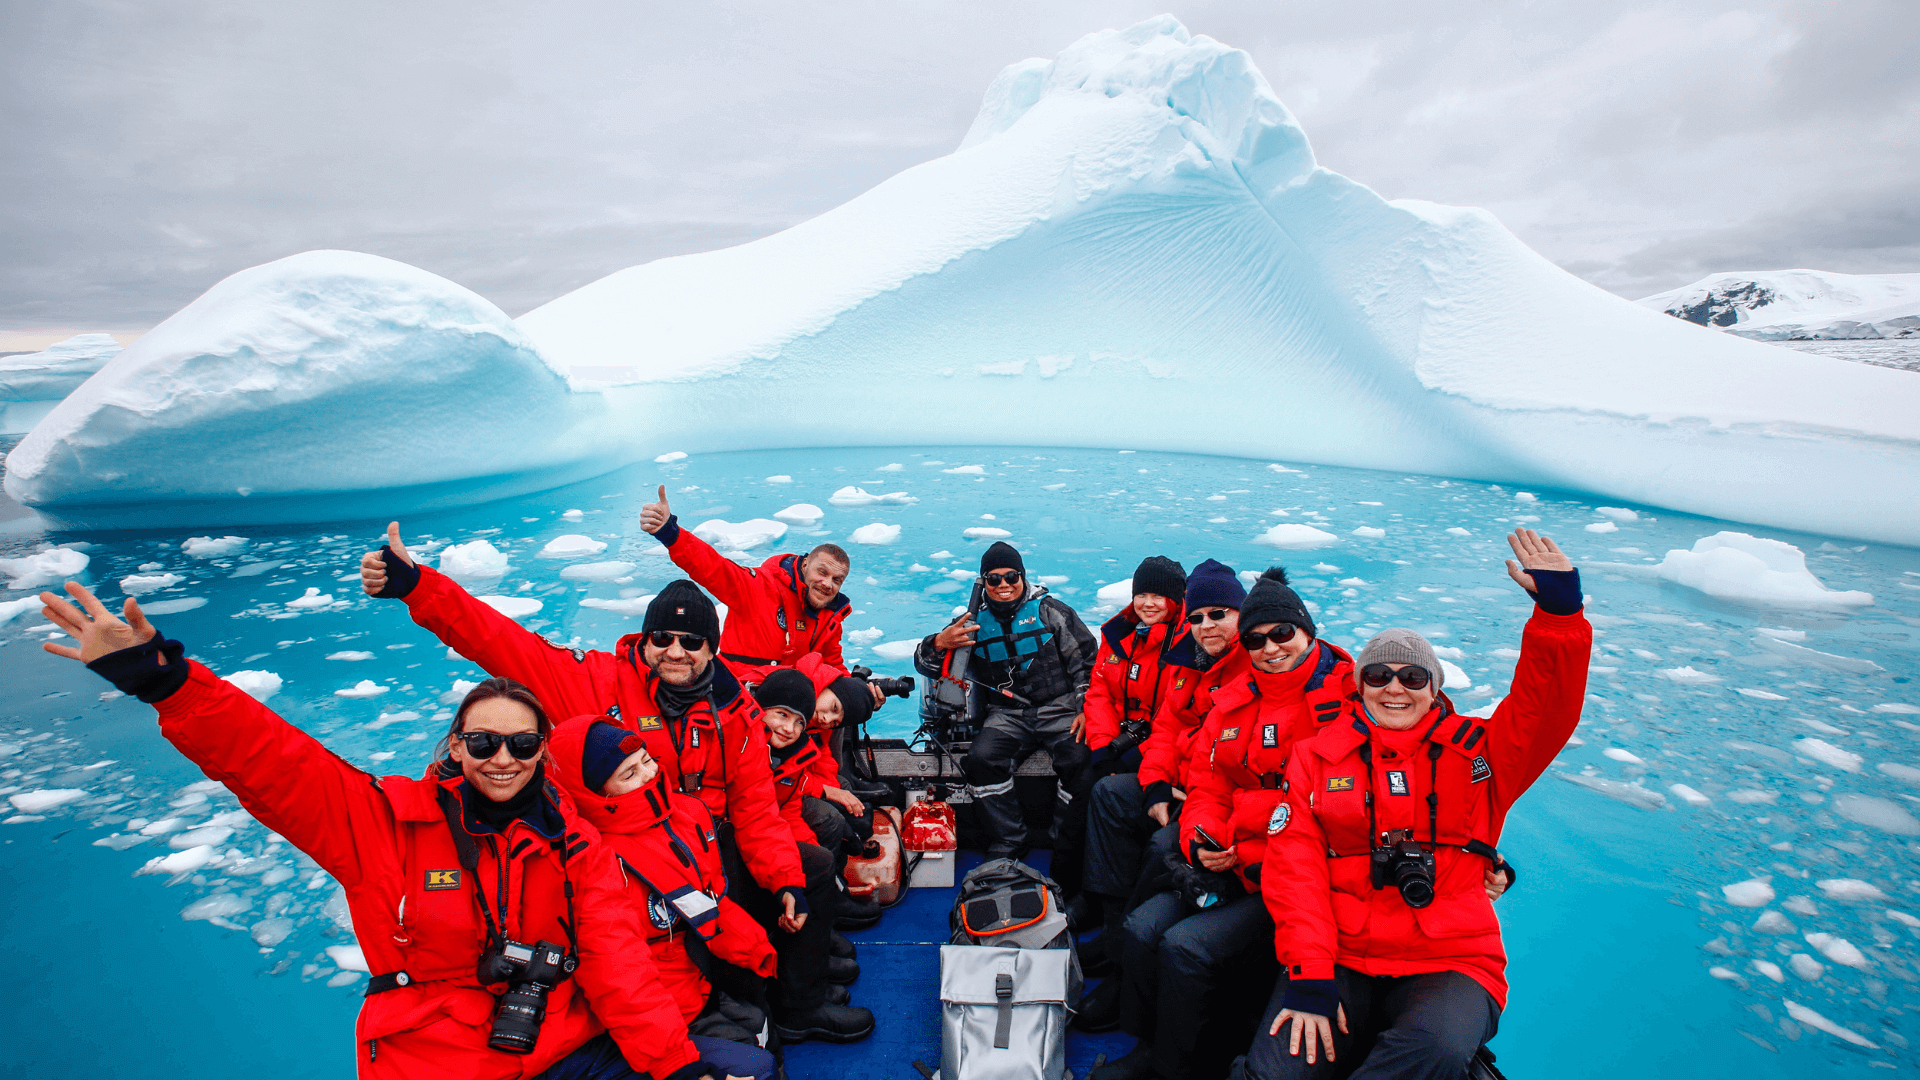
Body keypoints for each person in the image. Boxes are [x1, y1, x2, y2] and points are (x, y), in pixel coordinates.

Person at [34, 581, 737, 1080]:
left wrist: (676, 1069)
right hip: (439, 1063)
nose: (503, 759)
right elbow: (275, 762)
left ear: (543, 754)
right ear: (456, 746)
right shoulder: (383, 823)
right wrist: (170, 685)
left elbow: (618, 962)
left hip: (562, 1046)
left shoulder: (574, 842)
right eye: (485, 742)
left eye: (523, 747)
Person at [360, 525, 873, 1045]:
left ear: (711, 649)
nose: (675, 651)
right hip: (630, 854)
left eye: (692, 641)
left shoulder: (735, 708)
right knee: (719, 946)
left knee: (805, 871)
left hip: (710, 840)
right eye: (662, 638)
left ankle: (797, 1003)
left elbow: (755, 803)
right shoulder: (596, 682)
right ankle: (739, 1007)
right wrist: (417, 587)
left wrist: (783, 876)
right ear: (645, 638)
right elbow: (498, 641)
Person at [1243, 529, 1585, 1080]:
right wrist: (1309, 971)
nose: (1394, 688)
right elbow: (1294, 868)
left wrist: (1559, 614)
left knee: (1437, 1050)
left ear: (1434, 686)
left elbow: (1544, 706)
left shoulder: (1481, 755)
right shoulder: (1317, 757)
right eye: (1377, 675)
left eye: (1412, 675)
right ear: (1360, 686)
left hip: (1451, 957)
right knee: (1277, 1071)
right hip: (1343, 951)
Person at [1091, 567, 1353, 1080]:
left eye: (1282, 634)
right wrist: (1201, 840)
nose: (1271, 647)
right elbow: (1209, 783)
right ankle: (1148, 1038)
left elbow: (1311, 810)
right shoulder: (1238, 699)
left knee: (1184, 945)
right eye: (1258, 639)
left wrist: (1234, 837)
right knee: (1145, 927)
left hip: (1293, 871)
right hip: (1232, 855)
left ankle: (1178, 1067)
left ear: (1308, 631)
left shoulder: (1343, 698)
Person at [546, 718, 781, 1080]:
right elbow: (619, 972)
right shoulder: (596, 861)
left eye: (647, 759)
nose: (649, 775)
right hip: (665, 1008)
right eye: (629, 774)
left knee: (763, 1023)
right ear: (595, 793)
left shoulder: (684, 814)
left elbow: (708, 897)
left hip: (699, 976)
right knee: (757, 1060)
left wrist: (755, 949)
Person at [1081, 558, 1246, 960]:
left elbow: (1229, 755)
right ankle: (1108, 916)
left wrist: (1188, 791)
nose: (1206, 625)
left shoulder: (1251, 665)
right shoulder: (1189, 662)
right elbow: (1167, 730)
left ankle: (1127, 941)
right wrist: (1155, 783)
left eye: (1218, 615)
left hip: (1216, 798)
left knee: (1160, 845)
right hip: (1183, 781)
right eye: (1198, 617)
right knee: (1106, 792)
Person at [914, 541, 1097, 859]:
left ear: (1023, 577)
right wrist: (939, 642)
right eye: (994, 579)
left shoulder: (1051, 612)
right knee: (982, 761)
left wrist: (1086, 708)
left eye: (1011, 577)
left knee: (1080, 759)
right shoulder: (970, 623)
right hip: (1008, 714)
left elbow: (1086, 662)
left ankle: (1064, 837)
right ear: (984, 582)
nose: (1003, 585)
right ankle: (1010, 838)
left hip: (1060, 708)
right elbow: (924, 663)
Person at [638, 485, 869, 689]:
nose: (827, 584)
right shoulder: (760, 587)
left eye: (837, 579)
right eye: (822, 572)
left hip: (792, 710)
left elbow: (832, 665)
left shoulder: (829, 617)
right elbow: (713, 567)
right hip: (740, 702)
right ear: (806, 564)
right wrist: (669, 532)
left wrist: (856, 692)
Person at [1059, 556, 1186, 905]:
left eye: (1158, 596)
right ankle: (1065, 883)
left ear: (1176, 600)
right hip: (1117, 737)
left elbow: (1175, 718)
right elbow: (1099, 692)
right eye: (1141, 594)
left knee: (1097, 791)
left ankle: (1085, 893)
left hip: (1158, 745)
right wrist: (1102, 745)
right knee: (1079, 771)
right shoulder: (1119, 634)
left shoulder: (1188, 643)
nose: (1148, 603)